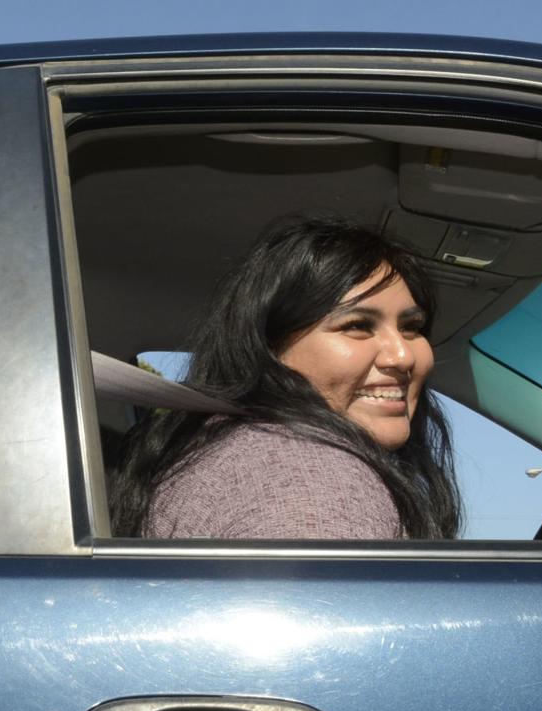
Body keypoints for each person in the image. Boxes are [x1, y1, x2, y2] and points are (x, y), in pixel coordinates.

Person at [112, 216, 463, 540]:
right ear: (270, 347)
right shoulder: (314, 480)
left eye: (411, 327)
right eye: (357, 326)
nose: (403, 356)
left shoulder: (238, 452)